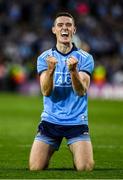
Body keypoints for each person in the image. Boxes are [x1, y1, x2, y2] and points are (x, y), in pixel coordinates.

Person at [29, 12, 95, 171]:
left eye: (68, 25)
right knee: (35, 168)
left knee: (85, 168)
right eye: (60, 25)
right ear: (54, 30)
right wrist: (51, 70)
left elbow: (81, 91)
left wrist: (73, 71)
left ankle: (78, 151)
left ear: (74, 30)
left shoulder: (85, 58)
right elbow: (45, 91)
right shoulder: (44, 58)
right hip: (50, 121)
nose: (64, 28)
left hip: (77, 121)